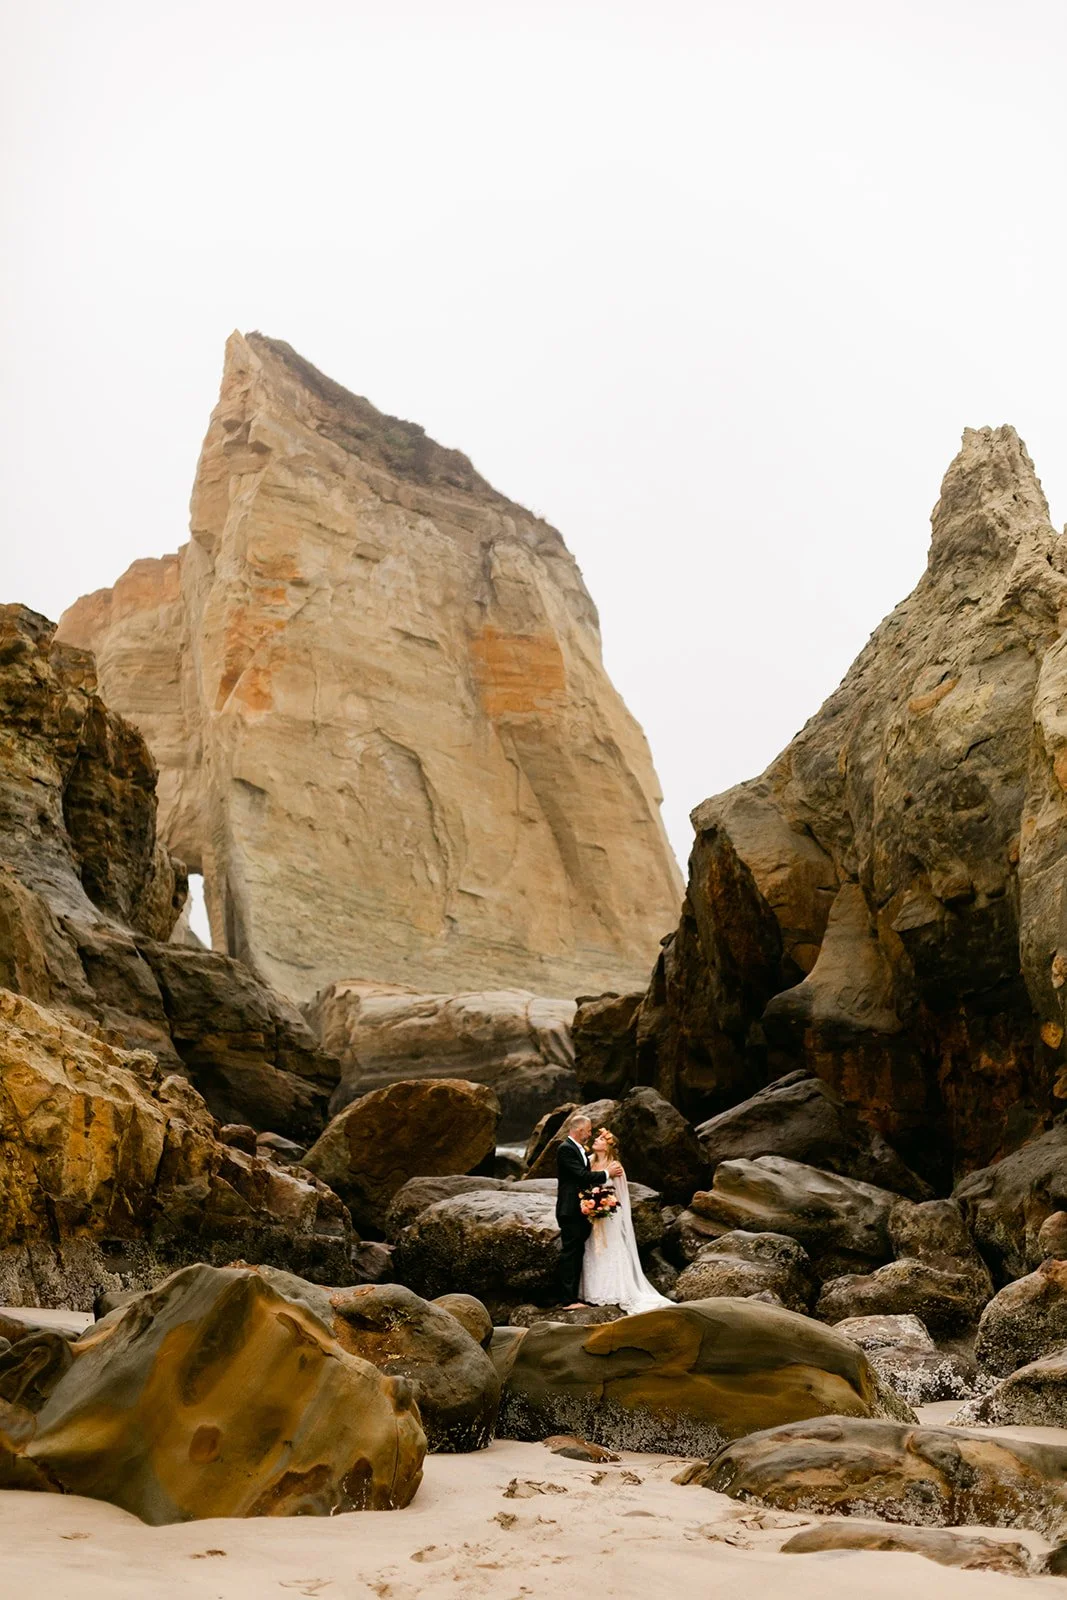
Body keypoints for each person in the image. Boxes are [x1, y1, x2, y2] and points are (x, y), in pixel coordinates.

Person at [579, 1128, 672, 1314]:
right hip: (589, 1213)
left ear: (608, 1146)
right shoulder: (588, 1161)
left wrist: (609, 1208)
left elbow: (621, 1195)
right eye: (596, 1137)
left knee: (610, 1249)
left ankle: (613, 1290)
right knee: (591, 1248)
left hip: (610, 1215)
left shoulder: (616, 1166)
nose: (596, 1140)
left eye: (600, 1139)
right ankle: (592, 1291)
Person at [555, 1113, 621, 1308]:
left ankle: (574, 1296)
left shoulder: (579, 1150)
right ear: (580, 1130)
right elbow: (581, 1175)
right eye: (589, 1131)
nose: (590, 1135)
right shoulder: (565, 1149)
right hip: (569, 1209)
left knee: (576, 1252)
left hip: (580, 1210)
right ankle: (567, 1300)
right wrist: (607, 1173)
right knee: (570, 1253)